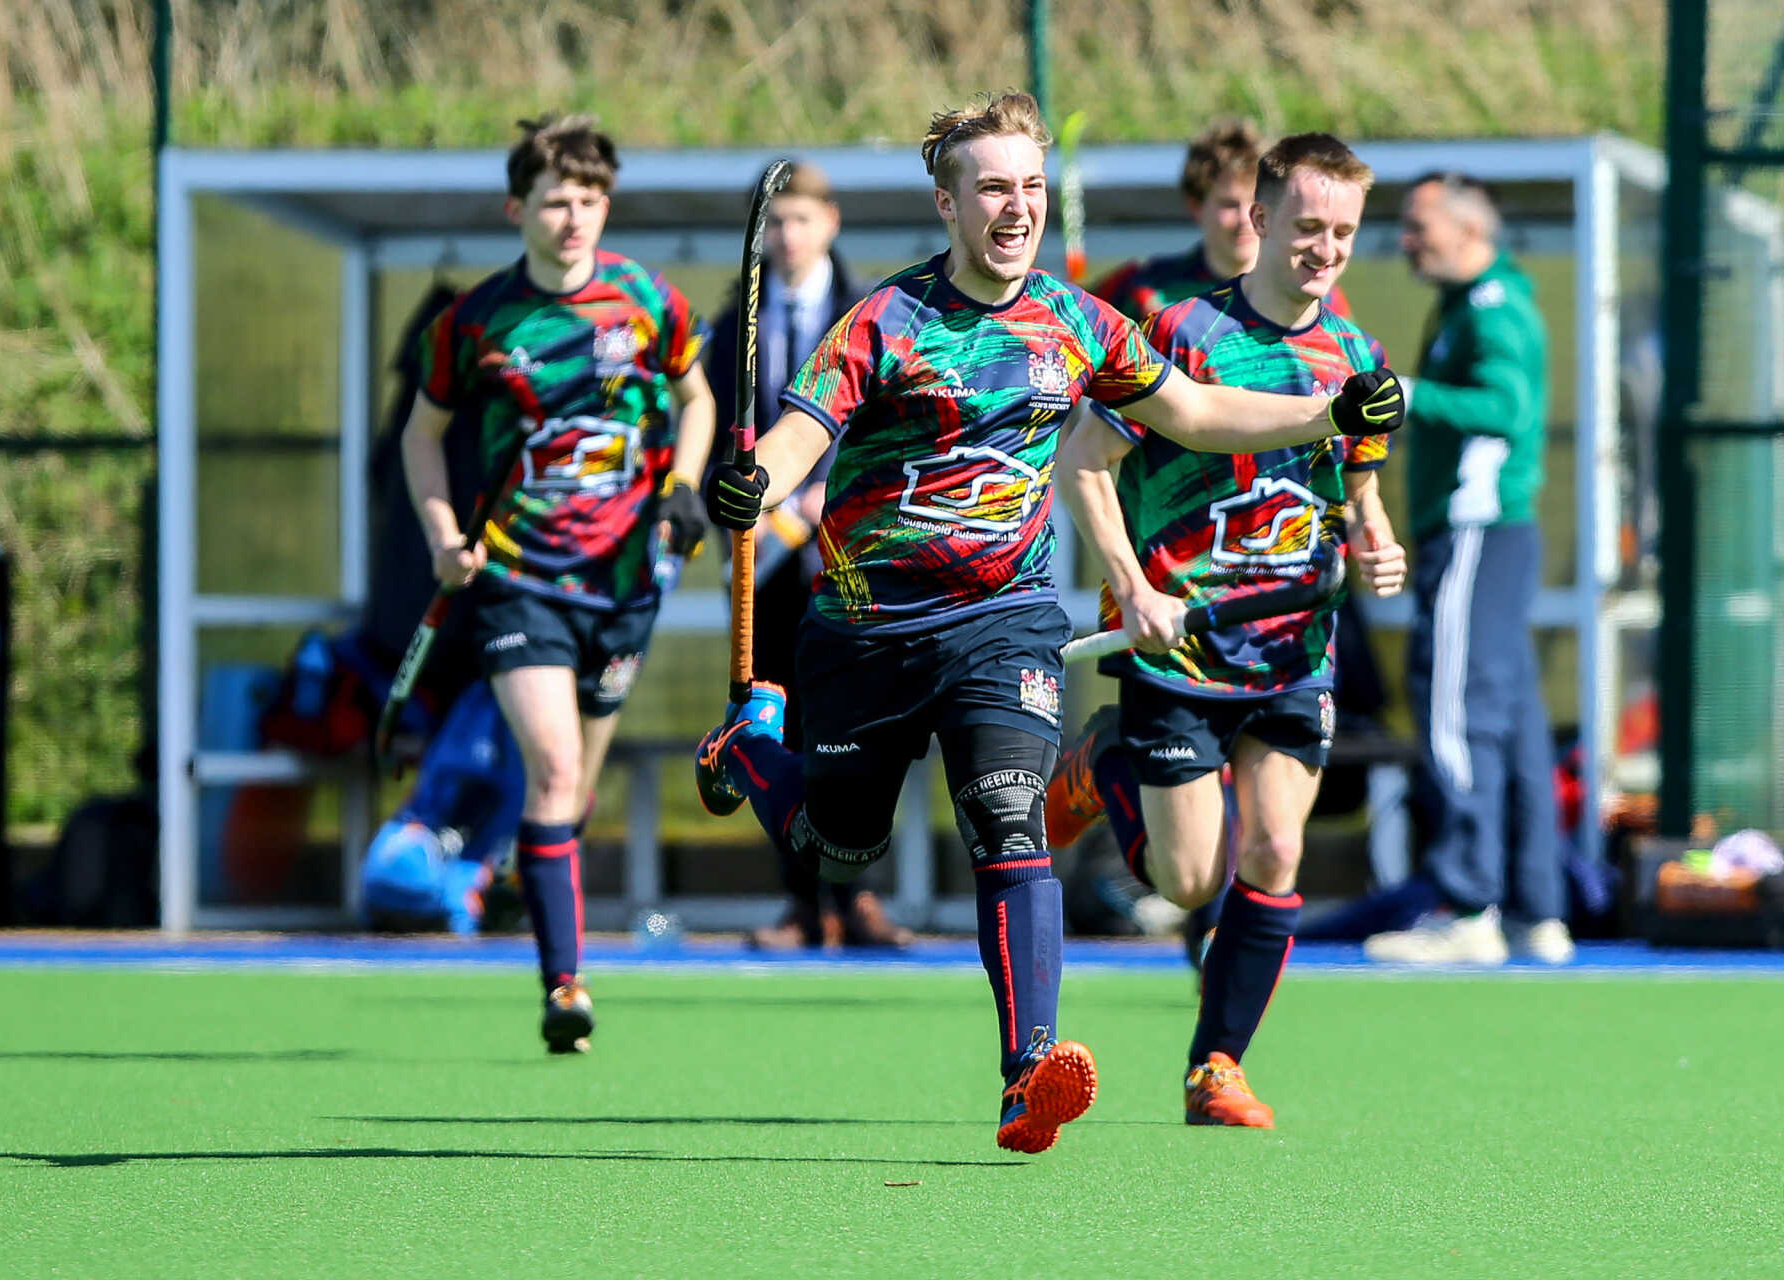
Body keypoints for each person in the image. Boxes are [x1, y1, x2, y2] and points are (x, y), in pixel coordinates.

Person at [692, 91, 1402, 1153]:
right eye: (993, 188)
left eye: (1030, 185)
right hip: (868, 627)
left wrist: (1327, 413)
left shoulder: (1078, 322)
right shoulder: (885, 320)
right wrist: (757, 481)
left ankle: (1029, 1072)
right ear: (948, 203)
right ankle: (751, 745)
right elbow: (803, 431)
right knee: (839, 842)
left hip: (1006, 619)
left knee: (1010, 821)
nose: (1016, 207)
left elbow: (1195, 411)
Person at [1045, 133, 1407, 1128]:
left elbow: (1357, 482)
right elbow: (1082, 462)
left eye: (1343, 232)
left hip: (1295, 648)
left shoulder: (1356, 354)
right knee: (1188, 877)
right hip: (1181, 648)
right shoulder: (1184, 334)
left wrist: (1374, 539)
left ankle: (1217, 1067)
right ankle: (1103, 760)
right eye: (1307, 227)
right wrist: (1131, 588)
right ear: (1260, 218)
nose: (1324, 249)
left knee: (1278, 850)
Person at [401, 115, 715, 1051]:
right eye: (553, 202)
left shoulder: (648, 301)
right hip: (519, 579)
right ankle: (565, 986)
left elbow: (697, 396)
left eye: (589, 199)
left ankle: (523, 873)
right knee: (557, 767)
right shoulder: (476, 321)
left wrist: (684, 485)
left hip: (626, 586)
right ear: (517, 210)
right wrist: (443, 536)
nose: (573, 218)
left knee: (573, 795)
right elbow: (421, 433)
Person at [1363, 172, 1574, 967]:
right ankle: (1534, 910)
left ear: (1469, 230)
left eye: (1419, 227)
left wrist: (1406, 394)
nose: (1407, 242)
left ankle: (1467, 902)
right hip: (1490, 535)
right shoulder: (1470, 305)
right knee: (1511, 719)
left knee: (1453, 706)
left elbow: (1506, 409)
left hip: (1476, 532)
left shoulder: (1492, 308)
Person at [701, 161, 908, 952]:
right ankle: (800, 903)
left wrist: (832, 497)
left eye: (801, 220)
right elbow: (719, 437)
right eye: (776, 223)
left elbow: (892, 427)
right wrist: (730, 507)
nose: (788, 237)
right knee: (772, 719)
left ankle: (859, 895)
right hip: (765, 563)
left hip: (852, 552)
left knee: (855, 721)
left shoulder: (873, 313)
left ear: (831, 223)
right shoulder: (734, 327)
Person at [1093, 118, 1352, 324]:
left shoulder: (1316, 295)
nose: (1246, 219)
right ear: (1196, 206)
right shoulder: (1141, 289)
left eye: (1257, 203)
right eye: (1229, 204)